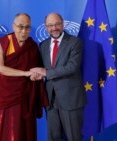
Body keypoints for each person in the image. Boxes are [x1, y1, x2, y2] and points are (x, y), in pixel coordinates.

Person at [0, 13, 48, 141]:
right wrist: (25, 73)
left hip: (25, 96)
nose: (23, 31)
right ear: (13, 26)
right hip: (6, 94)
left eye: (27, 27)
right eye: (20, 26)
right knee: (5, 129)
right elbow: (0, 68)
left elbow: (35, 71)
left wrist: (34, 77)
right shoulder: (5, 42)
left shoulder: (32, 46)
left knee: (24, 131)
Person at [30, 12, 87, 141]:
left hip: (70, 99)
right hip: (50, 100)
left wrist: (46, 73)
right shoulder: (43, 45)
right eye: (50, 25)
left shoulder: (75, 42)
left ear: (63, 24)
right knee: (53, 137)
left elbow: (72, 67)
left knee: (74, 137)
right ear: (45, 27)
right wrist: (36, 75)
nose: (54, 28)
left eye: (57, 24)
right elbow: (42, 68)